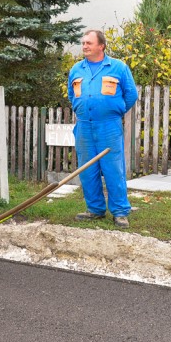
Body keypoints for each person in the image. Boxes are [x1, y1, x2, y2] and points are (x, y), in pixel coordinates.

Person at [68, 29, 138, 228]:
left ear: (101, 46)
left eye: (89, 43)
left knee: (113, 169)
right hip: (84, 127)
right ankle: (95, 209)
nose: (84, 46)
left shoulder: (118, 67)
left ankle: (120, 212)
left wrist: (115, 111)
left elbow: (131, 95)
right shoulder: (76, 69)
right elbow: (72, 95)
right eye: (83, 43)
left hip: (109, 127)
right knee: (87, 170)